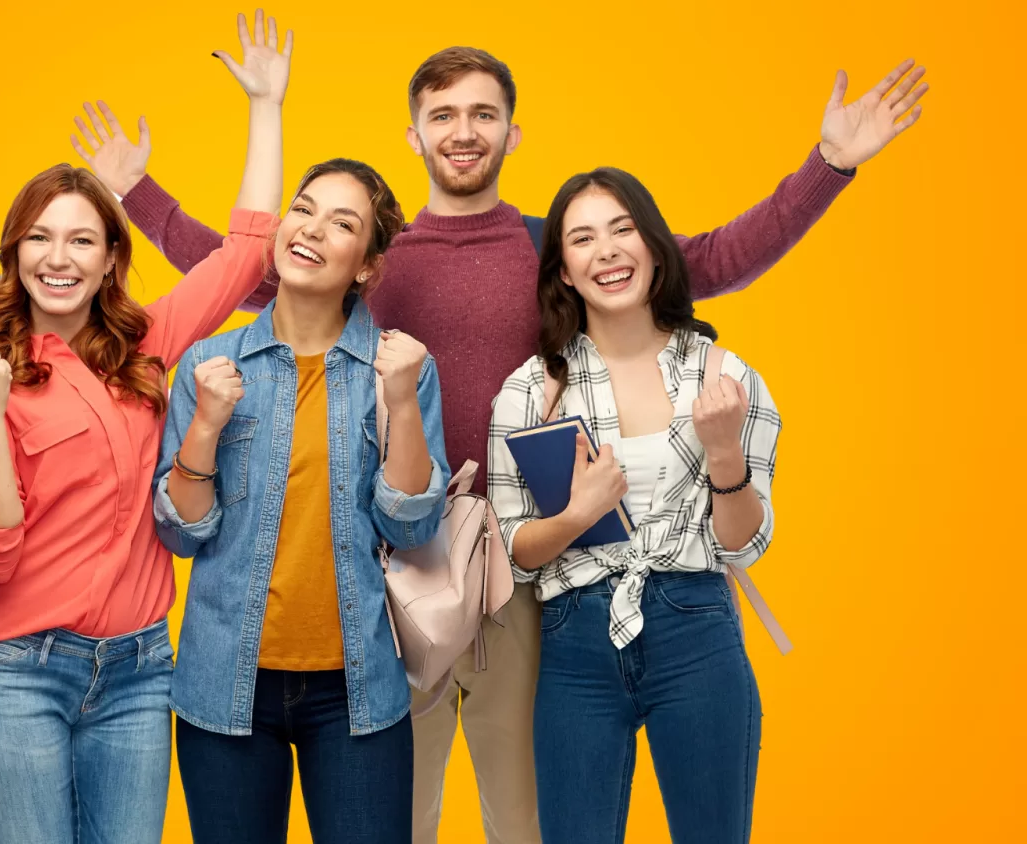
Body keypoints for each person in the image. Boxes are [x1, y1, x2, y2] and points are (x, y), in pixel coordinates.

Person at [75, 45, 928, 844]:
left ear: (512, 133)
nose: (463, 131)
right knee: (394, 813)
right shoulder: (374, 258)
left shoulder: (549, 248)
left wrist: (830, 165)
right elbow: (242, 270)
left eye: (484, 114)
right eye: (443, 114)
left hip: (529, 569)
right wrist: (139, 194)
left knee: (524, 817)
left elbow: (711, 259)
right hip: (393, 568)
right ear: (414, 135)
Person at [0, 11, 288, 844]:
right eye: (40, 238)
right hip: (16, 672)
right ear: (15, 251)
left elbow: (246, 253)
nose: (58, 258)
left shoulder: (147, 348)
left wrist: (265, 106)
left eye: (82, 240)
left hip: (137, 671)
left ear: (108, 260)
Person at [153, 152, 448, 843]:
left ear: (368, 264)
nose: (311, 229)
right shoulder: (208, 365)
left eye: (343, 222)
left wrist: (401, 400)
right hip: (224, 685)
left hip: (358, 691)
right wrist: (204, 425)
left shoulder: (402, 366)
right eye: (304, 208)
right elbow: (181, 535)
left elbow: (410, 527)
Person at [488, 166, 779, 844]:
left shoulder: (723, 374)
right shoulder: (533, 389)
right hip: (574, 643)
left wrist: (724, 453)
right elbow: (514, 550)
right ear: (563, 270)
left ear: (654, 247)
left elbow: (742, 543)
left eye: (623, 230)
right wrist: (573, 517)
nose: (608, 251)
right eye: (583, 239)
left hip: (697, 633)